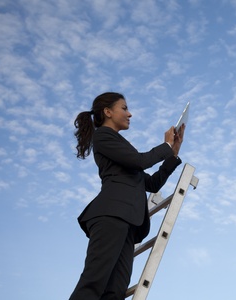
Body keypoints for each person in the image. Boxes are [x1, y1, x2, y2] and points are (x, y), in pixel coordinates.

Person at [69, 92, 185, 300]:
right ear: (108, 112)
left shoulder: (120, 143)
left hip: (128, 221)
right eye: (124, 108)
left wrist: (173, 153)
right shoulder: (103, 136)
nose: (129, 113)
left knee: (116, 291)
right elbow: (140, 161)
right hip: (111, 215)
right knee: (94, 282)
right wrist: (166, 146)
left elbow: (151, 183)